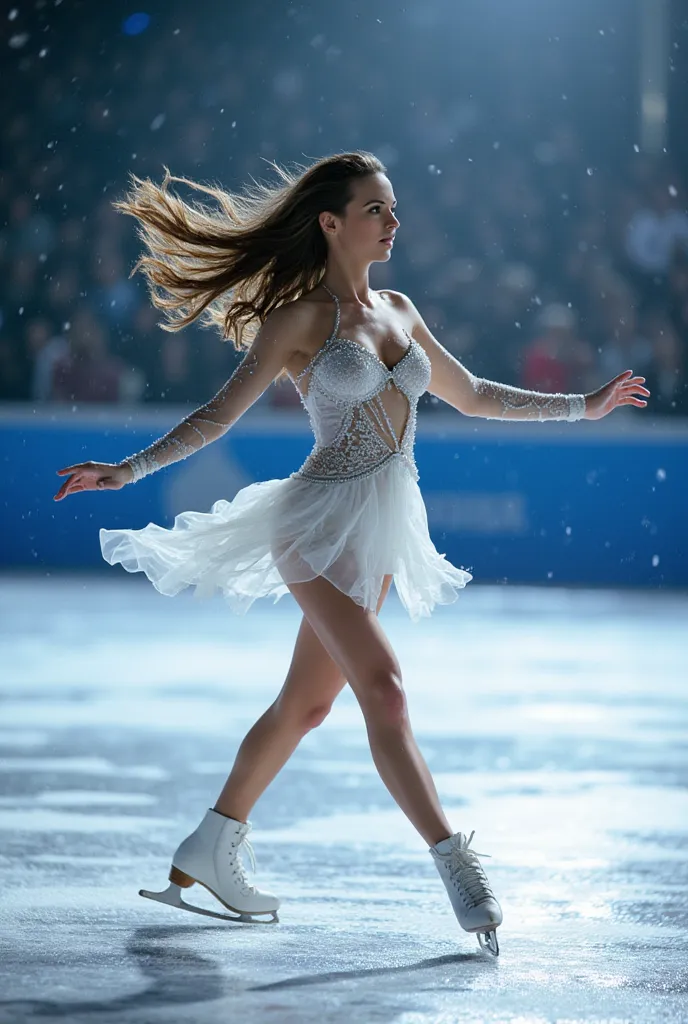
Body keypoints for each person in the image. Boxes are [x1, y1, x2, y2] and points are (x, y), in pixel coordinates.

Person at [53, 152, 650, 956]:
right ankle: (457, 866)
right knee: (387, 691)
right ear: (332, 223)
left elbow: (472, 394)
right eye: (377, 210)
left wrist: (585, 405)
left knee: (306, 705)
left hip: (379, 532)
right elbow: (218, 416)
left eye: (393, 209)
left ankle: (211, 843)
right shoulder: (299, 320)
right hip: (312, 522)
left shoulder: (402, 309)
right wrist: (127, 470)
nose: (394, 222)